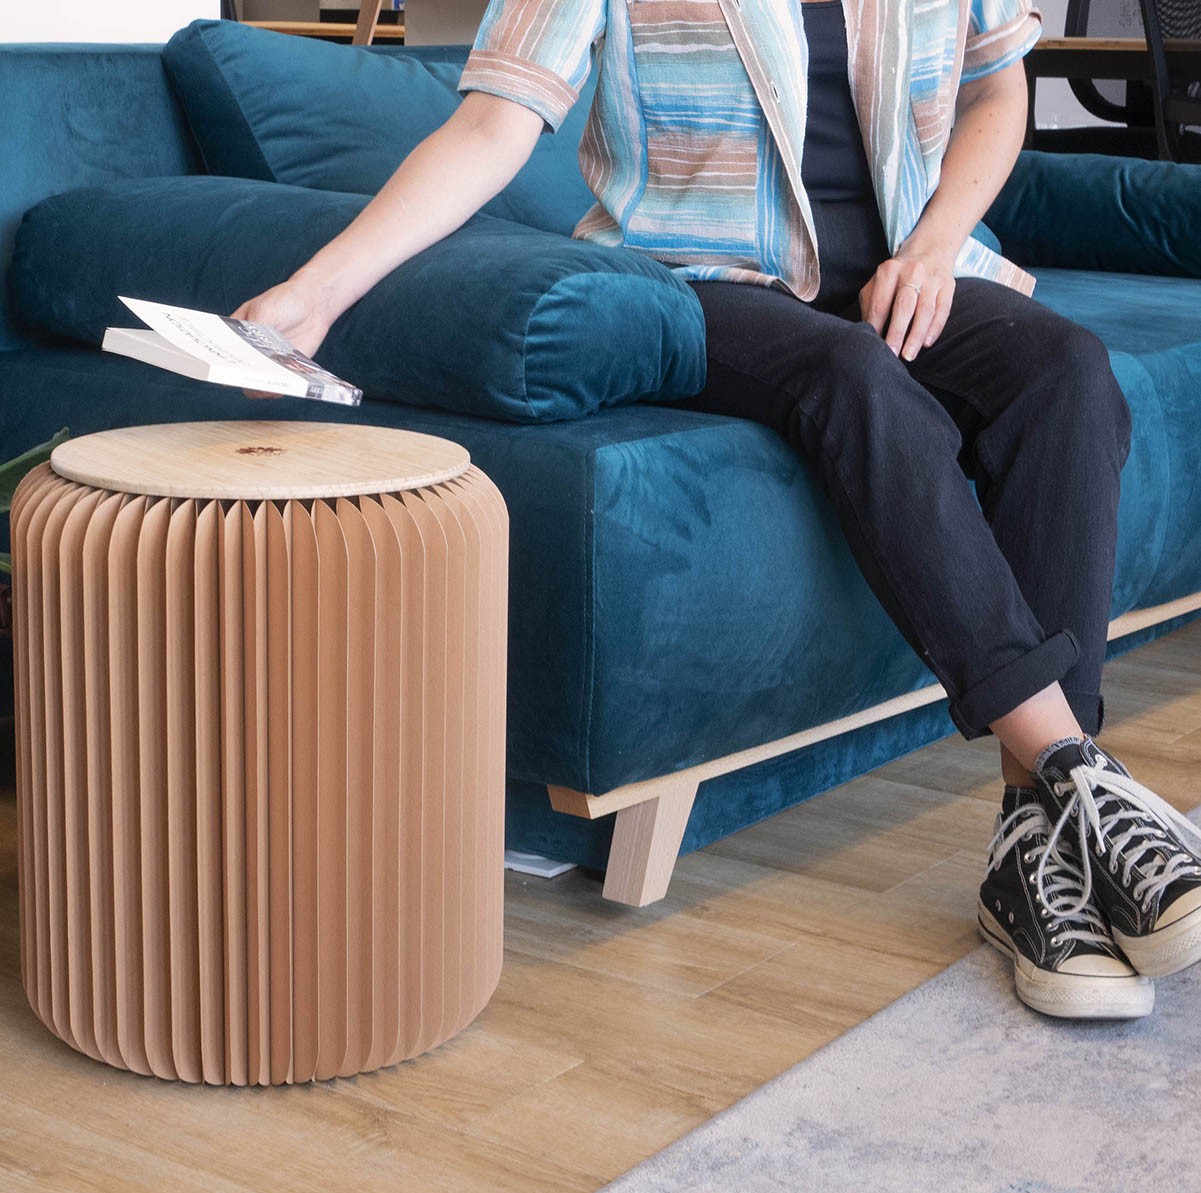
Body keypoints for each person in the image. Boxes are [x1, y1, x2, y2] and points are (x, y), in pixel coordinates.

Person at [234, 0, 1201, 1020]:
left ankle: (1032, 843)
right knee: (857, 381)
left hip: (912, 274)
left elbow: (997, 87)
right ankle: (1081, 775)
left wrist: (936, 242)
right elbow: (492, 122)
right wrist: (317, 293)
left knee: (1065, 371)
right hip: (713, 283)